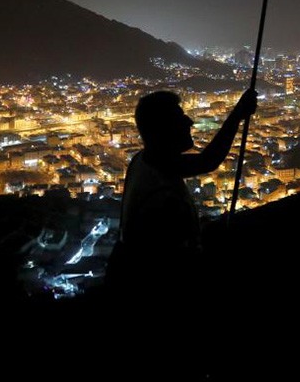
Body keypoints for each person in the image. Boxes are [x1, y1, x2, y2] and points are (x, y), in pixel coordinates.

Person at [107, 88, 257, 298]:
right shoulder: (163, 197)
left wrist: (238, 113)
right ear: (162, 130)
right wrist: (238, 114)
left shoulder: (143, 161)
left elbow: (206, 161)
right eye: (179, 118)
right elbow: (179, 267)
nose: (189, 122)